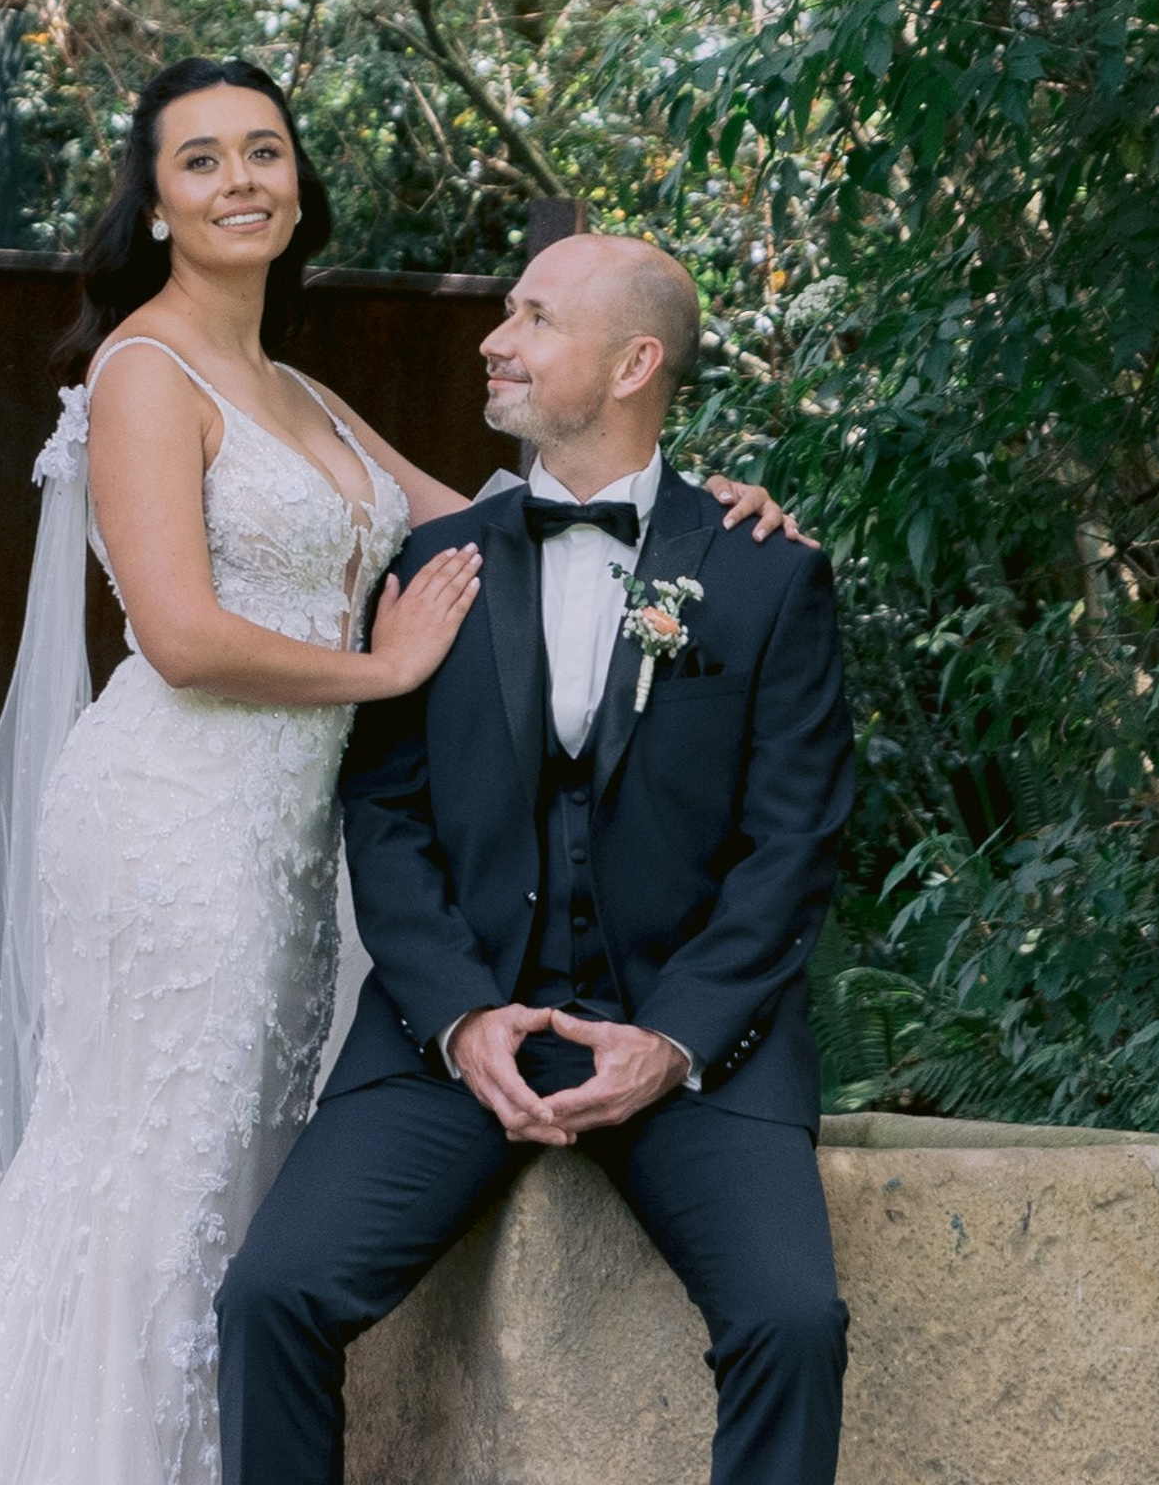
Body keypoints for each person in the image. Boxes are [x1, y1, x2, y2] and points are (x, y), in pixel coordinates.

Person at [0, 58, 803, 1485]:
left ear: (299, 182)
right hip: (172, 820)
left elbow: (506, 518)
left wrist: (707, 513)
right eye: (200, 161)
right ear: (157, 205)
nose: (241, 178)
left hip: (281, 840)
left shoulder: (297, 389)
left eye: (264, 150)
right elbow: (182, 635)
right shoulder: (141, 369)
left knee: (231, 1181)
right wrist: (383, 673)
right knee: (149, 1183)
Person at [218, 231, 855, 1485]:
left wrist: (668, 1041)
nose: (492, 340)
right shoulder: (431, 559)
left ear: (632, 362)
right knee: (270, 1297)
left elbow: (794, 845)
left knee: (794, 1324)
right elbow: (385, 816)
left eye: (532, 317)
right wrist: (460, 1017)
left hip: (691, 1041)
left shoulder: (766, 572)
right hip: (449, 1035)